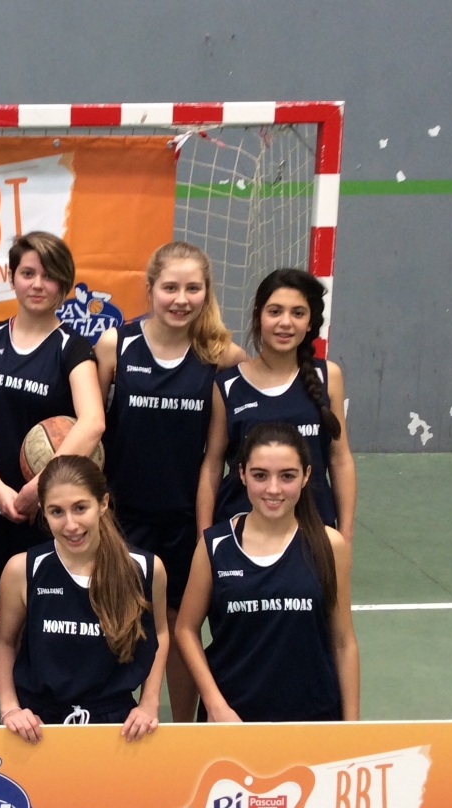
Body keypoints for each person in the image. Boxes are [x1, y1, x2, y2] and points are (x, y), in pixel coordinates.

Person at [95, 241, 245, 723]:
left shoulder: (222, 357)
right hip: (120, 518)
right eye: (170, 288)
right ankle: (107, 718)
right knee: (115, 623)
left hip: (185, 521)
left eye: (193, 288)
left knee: (182, 628)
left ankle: (183, 728)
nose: (181, 299)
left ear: (207, 292)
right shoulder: (116, 346)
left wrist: (207, 531)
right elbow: (92, 433)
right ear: (150, 288)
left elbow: (220, 455)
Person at [176, 422, 360, 722]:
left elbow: (343, 642)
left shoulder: (329, 545)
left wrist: (352, 728)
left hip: (314, 719)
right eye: (260, 475)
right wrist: (215, 704)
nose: (273, 489)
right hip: (233, 720)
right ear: (242, 474)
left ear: (306, 476)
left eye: (287, 476)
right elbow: (185, 629)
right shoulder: (215, 545)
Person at [0, 232, 105, 589]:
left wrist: (37, 490)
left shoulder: (72, 347)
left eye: (49, 275)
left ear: (64, 284)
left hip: (45, 509)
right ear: (12, 278)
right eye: (27, 273)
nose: (37, 284)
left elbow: (93, 423)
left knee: (34, 606)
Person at [0, 456, 169, 743]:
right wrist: (10, 707)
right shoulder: (23, 569)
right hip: (36, 727)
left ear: (103, 503)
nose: (71, 524)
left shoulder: (145, 569)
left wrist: (149, 702)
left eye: (80, 508)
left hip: (117, 727)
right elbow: (2, 641)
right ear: (43, 512)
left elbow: (159, 633)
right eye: (56, 511)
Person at [198, 268, 356, 540]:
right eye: (275, 311)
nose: (286, 322)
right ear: (258, 316)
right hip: (241, 532)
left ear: (310, 322)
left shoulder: (328, 376)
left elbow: (339, 459)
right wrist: (204, 536)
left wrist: (346, 534)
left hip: (313, 530)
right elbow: (212, 464)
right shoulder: (228, 384)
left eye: (298, 313)